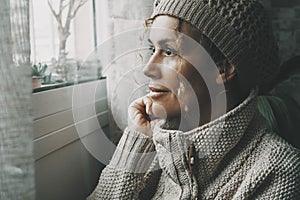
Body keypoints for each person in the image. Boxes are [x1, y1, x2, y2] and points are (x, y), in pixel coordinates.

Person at [88, 0, 300, 199]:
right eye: (153, 49)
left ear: (223, 68)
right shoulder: (155, 145)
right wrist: (136, 142)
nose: (148, 69)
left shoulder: (278, 172)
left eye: (169, 51)